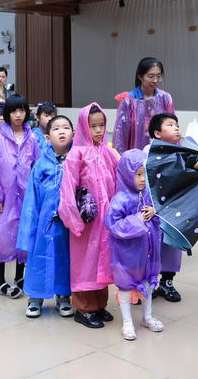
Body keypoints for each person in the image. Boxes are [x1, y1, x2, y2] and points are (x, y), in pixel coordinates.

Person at [59, 103, 119, 329]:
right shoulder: (76, 154)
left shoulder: (107, 152)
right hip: (86, 221)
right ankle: (84, 309)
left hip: (105, 219)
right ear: (84, 127)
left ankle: (99, 304)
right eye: (93, 126)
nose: (98, 130)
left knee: (102, 260)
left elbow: (119, 178)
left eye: (101, 125)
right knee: (85, 262)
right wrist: (73, 220)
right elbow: (67, 189)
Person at [17, 115, 75, 318]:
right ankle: (35, 298)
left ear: (73, 134)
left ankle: (63, 297)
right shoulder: (41, 165)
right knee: (39, 257)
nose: (61, 131)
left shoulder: (76, 162)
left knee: (64, 257)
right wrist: (29, 230)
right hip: (44, 223)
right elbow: (31, 200)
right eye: (56, 128)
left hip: (68, 224)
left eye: (65, 127)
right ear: (48, 137)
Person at [104, 149, 164, 341]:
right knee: (125, 286)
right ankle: (127, 322)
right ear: (126, 174)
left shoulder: (148, 195)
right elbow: (112, 224)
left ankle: (147, 316)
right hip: (127, 254)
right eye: (138, 174)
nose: (143, 179)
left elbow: (158, 218)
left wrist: (154, 212)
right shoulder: (120, 199)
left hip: (148, 251)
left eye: (145, 173)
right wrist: (138, 219)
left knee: (148, 283)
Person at [0, 94, 41, 298]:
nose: (18, 115)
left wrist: (38, 196)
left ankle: (20, 277)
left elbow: (38, 167)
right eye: (14, 111)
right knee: (1, 237)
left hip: (26, 197)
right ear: (7, 114)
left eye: (22, 110)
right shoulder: (0, 139)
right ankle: (1, 280)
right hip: (5, 197)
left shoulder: (32, 139)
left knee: (23, 234)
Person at [145, 113, 184, 301]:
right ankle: (148, 281)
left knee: (172, 245)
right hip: (152, 208)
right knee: (151, 246)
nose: (176, 127)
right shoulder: (148, 152)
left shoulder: (183, 153)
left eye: (177, 124)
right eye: (170, 124)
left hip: (173, 209)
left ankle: (167, 281)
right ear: (157, 133)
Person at [112, 57, 175, 155]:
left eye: (159, 76)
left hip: (160, 151)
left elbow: (172, 126)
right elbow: (120, 135)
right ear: (140, 77)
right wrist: (119, 157)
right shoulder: (129, 101)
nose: (155, 80)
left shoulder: (165, 98)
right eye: (151, 76)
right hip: (136, 153)